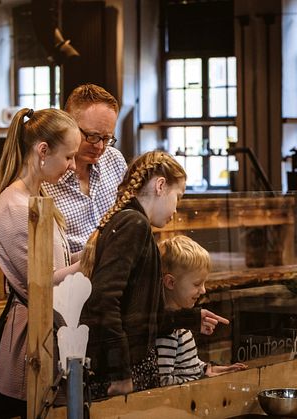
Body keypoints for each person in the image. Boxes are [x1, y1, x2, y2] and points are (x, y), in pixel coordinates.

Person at [79, 150, 229, 397]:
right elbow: (103, 299)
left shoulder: (133, 223)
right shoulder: (133, 224)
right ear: (161, 185)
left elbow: (140, 317)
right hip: (124, 372)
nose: (176, 209)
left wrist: (191, 318)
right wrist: (121, 372)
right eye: (177, 197)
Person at [0, 108, 83, 405]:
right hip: (33, 341)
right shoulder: (14, 206)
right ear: (43, 150)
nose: (73, 166)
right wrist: (89, 262)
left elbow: (55, 262)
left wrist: (91, 251)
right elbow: (43, 285)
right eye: (68, 156)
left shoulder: (34, 199)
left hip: (50, 333)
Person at [42, 84, 127, 253]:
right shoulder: (45, 176)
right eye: (93, 136)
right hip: (68, 275)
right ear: (67, 123)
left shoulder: (114, 160)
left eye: (107, 138)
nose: (100, 146)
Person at [156, 235, 247, 386]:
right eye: (197, 284)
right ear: (170, 282)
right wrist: (200, 380)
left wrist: (206, 369)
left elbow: (186, 366)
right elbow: (162, 381)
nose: (203, 290)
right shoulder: (168, 331)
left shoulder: (181, 323)